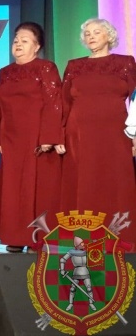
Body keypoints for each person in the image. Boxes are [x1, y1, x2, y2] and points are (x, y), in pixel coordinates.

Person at [57, 18, 136, 243]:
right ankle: (83, 238)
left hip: (115, 133)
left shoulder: (125, 62)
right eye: (87, 33)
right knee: (83, 182)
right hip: (79, 134)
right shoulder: (74, 66)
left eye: (96, 32)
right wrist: (59, 134)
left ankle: (119, 238)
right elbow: (64, 103)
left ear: (109, 36)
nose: (91, 36)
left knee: (115, 182)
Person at [0, 23, 63, 253]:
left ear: (37, 46)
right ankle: (15, 237)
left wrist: (49, 136)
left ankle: (39, 239)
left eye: (24, 41)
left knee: (39, 190)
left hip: (37, 138)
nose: (18, 44)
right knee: (13, 189)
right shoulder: (5, 72)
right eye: (16, 41)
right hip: (11, 138)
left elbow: (54, 103)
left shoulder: (46, 68)